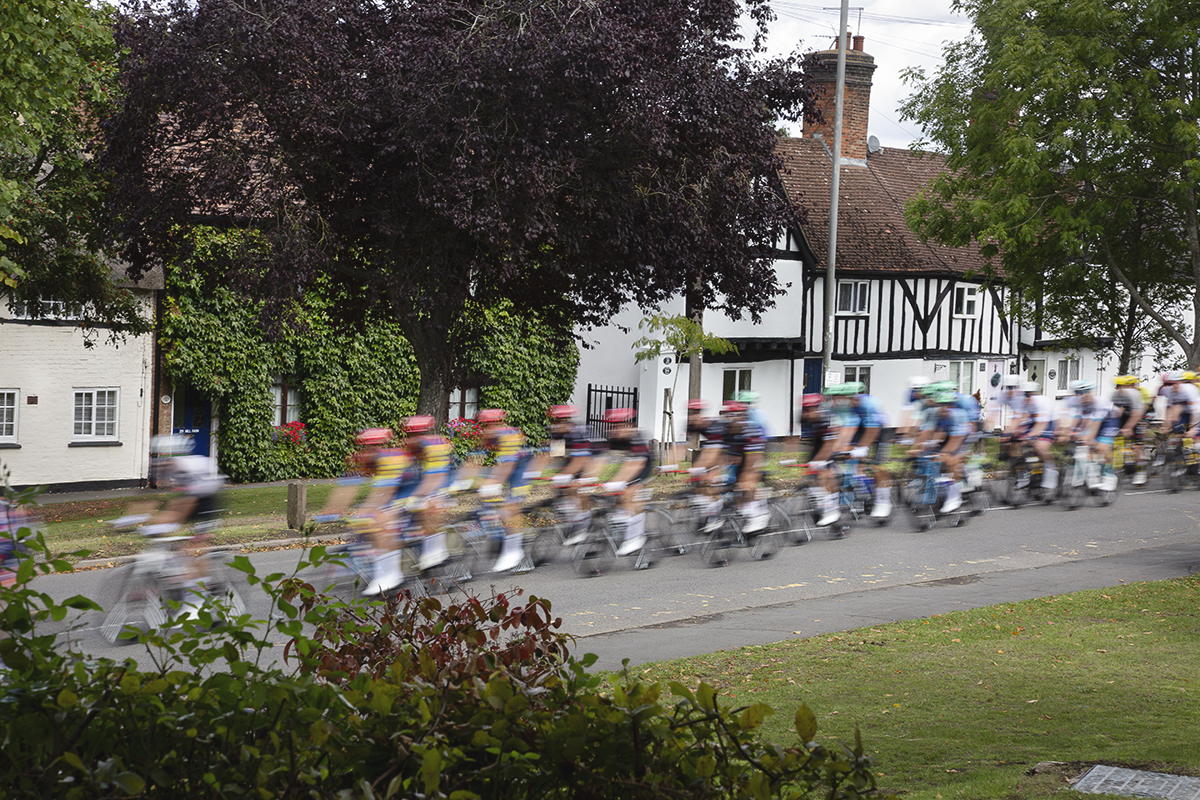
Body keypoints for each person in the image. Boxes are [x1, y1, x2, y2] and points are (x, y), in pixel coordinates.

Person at [598, 408, 653, 556]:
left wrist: (618, 482)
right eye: (613, 426)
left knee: (628, 493)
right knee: (617, 498)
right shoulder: (613, 437)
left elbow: (635, 465)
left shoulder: (636, 437)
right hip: (629, 461)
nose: (616, 430)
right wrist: (589, 477)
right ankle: (624, 521)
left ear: (628, 425)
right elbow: (599, 459)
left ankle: (635, 537)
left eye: (619, 426)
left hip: (642, 464)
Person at [910, 390, 971, 513]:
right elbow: (930, 432)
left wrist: (944, 454)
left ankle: (954, 498)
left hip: (962, 438)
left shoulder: (957, 415)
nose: (944, 408)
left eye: (947, 405)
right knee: (928, 457)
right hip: (947, 437)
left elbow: (956, 440)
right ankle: (934, 488)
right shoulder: (935, 413)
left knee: (951, 460)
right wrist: (920, 447)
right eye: (941, 405)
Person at [1058, 379, 1119, 491]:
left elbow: (1094, 426)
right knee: (1083, 445)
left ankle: (1109, 477)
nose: (1083, 395)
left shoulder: (1100, 403)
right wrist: (1065, 433)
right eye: (1079, 393)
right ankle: (1092, 474)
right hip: (1088, 419)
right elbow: (1072, 420)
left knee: (1101, 447)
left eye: (1087, 392)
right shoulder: (1073, 401)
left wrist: (1086, 437)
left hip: (1108, 421)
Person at [796, 392, 844, 527]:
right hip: (817, 441)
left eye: (810, 410)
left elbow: (830, 445)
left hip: (830, 441)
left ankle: (831, 510)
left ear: (817, 408)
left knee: (824, 474)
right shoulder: (804, 416)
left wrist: (821, 461)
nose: (807, 413)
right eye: (805, 410)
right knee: (811, 476)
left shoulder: (826, 418)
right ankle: (820, 504)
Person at [1111, 375, 1148, 485]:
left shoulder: (1137, 394)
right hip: (1124, 417)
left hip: (1137, 417)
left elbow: (1137, 414)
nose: (1123, 389)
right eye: (1120, 387)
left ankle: (1141, 472)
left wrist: (1129, 428)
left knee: (1137, 446)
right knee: (1117, 441)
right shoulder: (1116, 395)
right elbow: (1116, 412)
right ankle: (1118, 469)